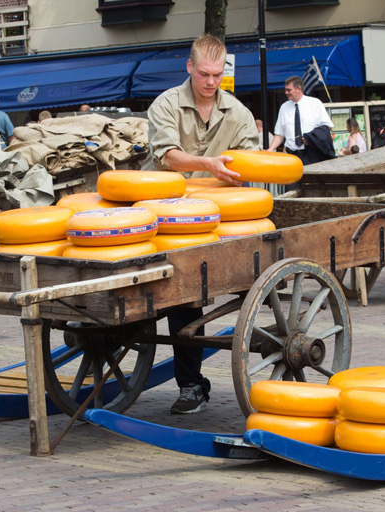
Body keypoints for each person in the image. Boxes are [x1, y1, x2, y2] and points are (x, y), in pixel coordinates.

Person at [142, 33, 258, 414]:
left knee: (188, 295)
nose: (211, 82)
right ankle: (188, 380)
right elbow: (168, 157)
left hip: (217, 218)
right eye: (204, 73)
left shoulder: (238, 112)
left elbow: (250, 161)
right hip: (163, 216)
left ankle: (191, 385)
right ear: (189, 67)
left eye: (217, 74)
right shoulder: (167, 105)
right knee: (180, 295)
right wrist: (209, 164)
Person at [266, 76, 333, 164]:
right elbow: (279, 134)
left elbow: (327, 128)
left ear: (299, 89)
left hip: (311, 154)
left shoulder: (315, 104)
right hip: (290, 156)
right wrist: (270, 149)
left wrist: (311, 137)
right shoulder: (284, 107)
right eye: (285, 90)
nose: (286, 92)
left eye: (289, 90)